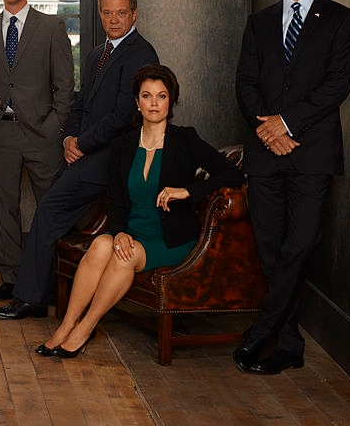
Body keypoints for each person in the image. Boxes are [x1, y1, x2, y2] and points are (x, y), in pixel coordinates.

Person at [37, 64, 243, 357]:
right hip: (132, 228)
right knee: (100, 245)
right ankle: (66, 325)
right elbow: (117, 199)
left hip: (169, 237)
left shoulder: (185, 140)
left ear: (171, 101)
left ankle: (85, 328)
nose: (154, 103)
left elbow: (232, 174)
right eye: (147, 96)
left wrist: (188, 191)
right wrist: (119, 231)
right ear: (137, 102)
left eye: (161, 96)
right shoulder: (123, 144)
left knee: (125, 256)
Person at [0, 0, 158, 320]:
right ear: (100, 15)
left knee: (49, 209)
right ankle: (55, 292)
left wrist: (82, 144)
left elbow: (124, 115)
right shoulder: (98, 53)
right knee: (54, 213)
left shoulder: (141, 53)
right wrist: (69, 138)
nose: (113, 20)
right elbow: (82, 104)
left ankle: (32, 299)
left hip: (113, 156)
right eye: (107, 13)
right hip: (86, 150)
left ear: (134, 14)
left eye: (121, 13)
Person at [233, 0, 350, 375]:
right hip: (266, 153)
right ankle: (288, 344)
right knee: (270, 248)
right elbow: (245, 83)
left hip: (312, 153)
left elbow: (336, 86)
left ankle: (261, 331)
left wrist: (286, 123)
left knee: (300, 244)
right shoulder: (259, 22)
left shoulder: (340, 20)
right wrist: (268, 131)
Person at [0, 0, 74, 302]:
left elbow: (65, 86)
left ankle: (57, 277)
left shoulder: (52, 26)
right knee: (3, 209)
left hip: (41, 134)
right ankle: (11, 279)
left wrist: (53, 128)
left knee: (52, 207)